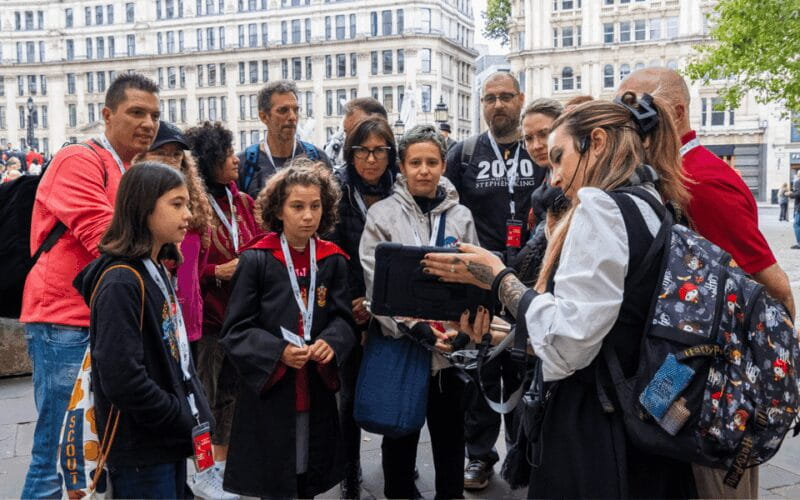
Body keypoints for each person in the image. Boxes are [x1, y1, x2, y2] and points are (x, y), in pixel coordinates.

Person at [423, 94, 697, 498]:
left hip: (594, 429)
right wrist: (504, 335)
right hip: (641, 423)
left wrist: (498, 278)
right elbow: (604, 325)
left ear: (596, 142)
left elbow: (569, 343)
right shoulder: (651, 202)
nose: (553, 178)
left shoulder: (600, 209)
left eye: (558, 158)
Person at [619, 67, 795, 498]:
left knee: (713, 479)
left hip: (709, 377)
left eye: (636, 106)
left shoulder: (701, 180)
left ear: (676, 112)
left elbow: (773, 285)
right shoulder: (666, 174)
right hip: (680, 363)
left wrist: (771, 374)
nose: (627, 120)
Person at [20, 73, 160, 499]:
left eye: (154, 115)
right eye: (136, 112)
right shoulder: (79, 159)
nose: (148, 124)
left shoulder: (126, 169)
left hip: (99, 319)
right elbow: (104, 236)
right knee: (58, 453)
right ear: (107, 115)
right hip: (64, 321)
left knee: (92, 451)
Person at [72, 162, 212, 499]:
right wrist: (178, 414)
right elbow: (123, 380)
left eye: (187, 204)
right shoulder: (121, 282)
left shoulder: (154, 268)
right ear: (144, 208)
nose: (188, 215)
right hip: (142, 451)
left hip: (164, 441)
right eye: (177, 204)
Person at [220, 160, 356, 498]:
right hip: (272, 387)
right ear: (279, 210)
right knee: (275, 473)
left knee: (309, 467)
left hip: (314, 381)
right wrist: (277, 351)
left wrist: (331, 342)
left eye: (315, 206)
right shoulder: (256, 260)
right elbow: (235, 329)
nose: (308, 216)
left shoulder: (332, 259)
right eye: (297, 206)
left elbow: (344, 320)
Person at [360, 125, 479, 499]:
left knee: (450, 440)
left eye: (431, 162)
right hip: (403, 347)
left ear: (443, 165)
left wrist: (463, 331)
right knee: (400, 437)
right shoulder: (382, 215)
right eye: (415, 162)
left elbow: (476, 277)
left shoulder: (460, 216)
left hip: (448, 352)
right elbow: (376, 283)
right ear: (402, 167)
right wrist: (414, 326)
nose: (424, 170)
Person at [445, 71, 546, 490]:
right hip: (481, 280)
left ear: (521, 99)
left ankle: (523, 454)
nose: (498, 104)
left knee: (526, 365)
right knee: (482, 366)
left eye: (506, 97)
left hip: (532, 277)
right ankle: (479, 456)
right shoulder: (464, 154)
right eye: (490, 98)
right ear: (481, 103)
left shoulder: (540, 147)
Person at [185, 121, 260, 499]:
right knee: (202, 401)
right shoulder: (193, 209)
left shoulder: (242, 202)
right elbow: (181, 268)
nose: (235, 159)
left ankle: (222, 466)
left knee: (231, 396)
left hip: (239, 318)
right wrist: (216, 272)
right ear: (208, 160)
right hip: (208, 322)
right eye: (226, 154)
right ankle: (201, 470)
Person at [327, 116, 398, 498]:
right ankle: (349, 471)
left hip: (391, 303)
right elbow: (333, 253)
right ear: (350, 152)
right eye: (362, 151)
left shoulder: (400, 189)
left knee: (392, 388)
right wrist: (355, 304)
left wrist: (379, 302)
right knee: (349, 395)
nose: (371, 160)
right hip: (348, 304)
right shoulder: (337, 191)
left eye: (379, 151)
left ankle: (397, 468)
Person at [133, 121, 213, 356]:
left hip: (188, 320)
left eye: (176, 154)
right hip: (152, 321)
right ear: (141, 157)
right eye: (160, 153)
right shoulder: (135, 209)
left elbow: (198, 266)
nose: (170, 160)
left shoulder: (196, 209)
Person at [237, 80, 332, 198]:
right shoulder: (244, 164)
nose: (292, 117)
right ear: (264, 117)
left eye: (296, 110)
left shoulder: (318, 159)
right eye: (283, 110)